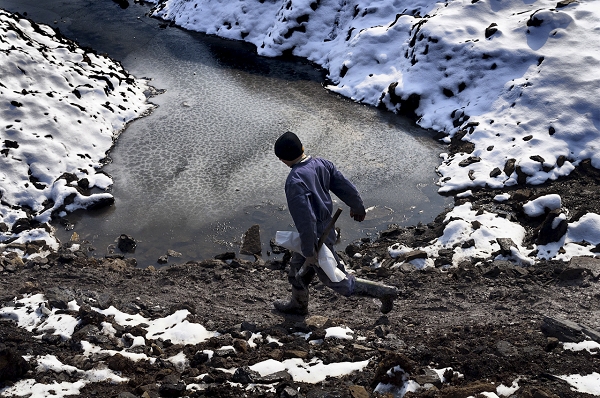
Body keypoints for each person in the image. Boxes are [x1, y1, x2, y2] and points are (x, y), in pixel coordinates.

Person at [273, 131, 399, 315]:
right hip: (326, 228)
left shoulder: (295, 181)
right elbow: (344, 185)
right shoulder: (321, 164)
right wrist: (357, 206)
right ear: (302, 148)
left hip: (316, 237)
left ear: (281, 159)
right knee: (297, 269)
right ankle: (298, 304)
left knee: (336, 278)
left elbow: (306, 219)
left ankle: (384, 292)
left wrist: (310, 251)